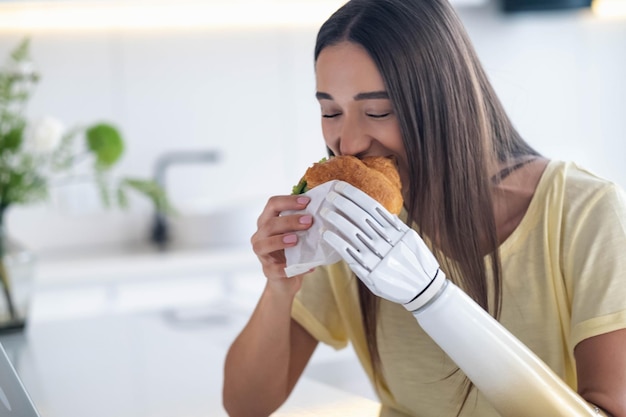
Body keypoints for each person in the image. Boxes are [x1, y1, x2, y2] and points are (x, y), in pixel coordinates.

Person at [222, 0, 626, 416]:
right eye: (331, 112)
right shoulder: (345, 221)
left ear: (445, 100)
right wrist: (280, 286)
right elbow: (245, 406)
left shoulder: (583, 211)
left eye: (378, 111)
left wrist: (433, 300)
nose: (349, 142)